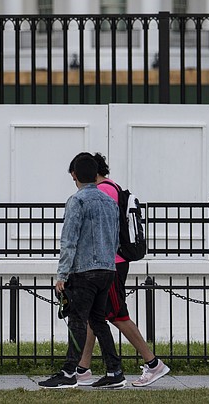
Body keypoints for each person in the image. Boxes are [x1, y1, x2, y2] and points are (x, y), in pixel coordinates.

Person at [73, 152, 170, 388]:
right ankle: (83, 369)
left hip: (111, 262)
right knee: (95, 316)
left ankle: (153, 363)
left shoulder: (103, 191)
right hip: (112, 261)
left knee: (117, 315)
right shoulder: (112, 187)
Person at [38, 152, 126, 389]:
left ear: (74, 175)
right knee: (98, 321)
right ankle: (114, 370)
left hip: (83, 270)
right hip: (107, 269)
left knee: (77, 320)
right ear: (96, 174)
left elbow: (69, 240)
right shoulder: (109, 202)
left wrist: (62, 275)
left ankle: (68, 373)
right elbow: (115, 238)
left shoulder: (76, 201)